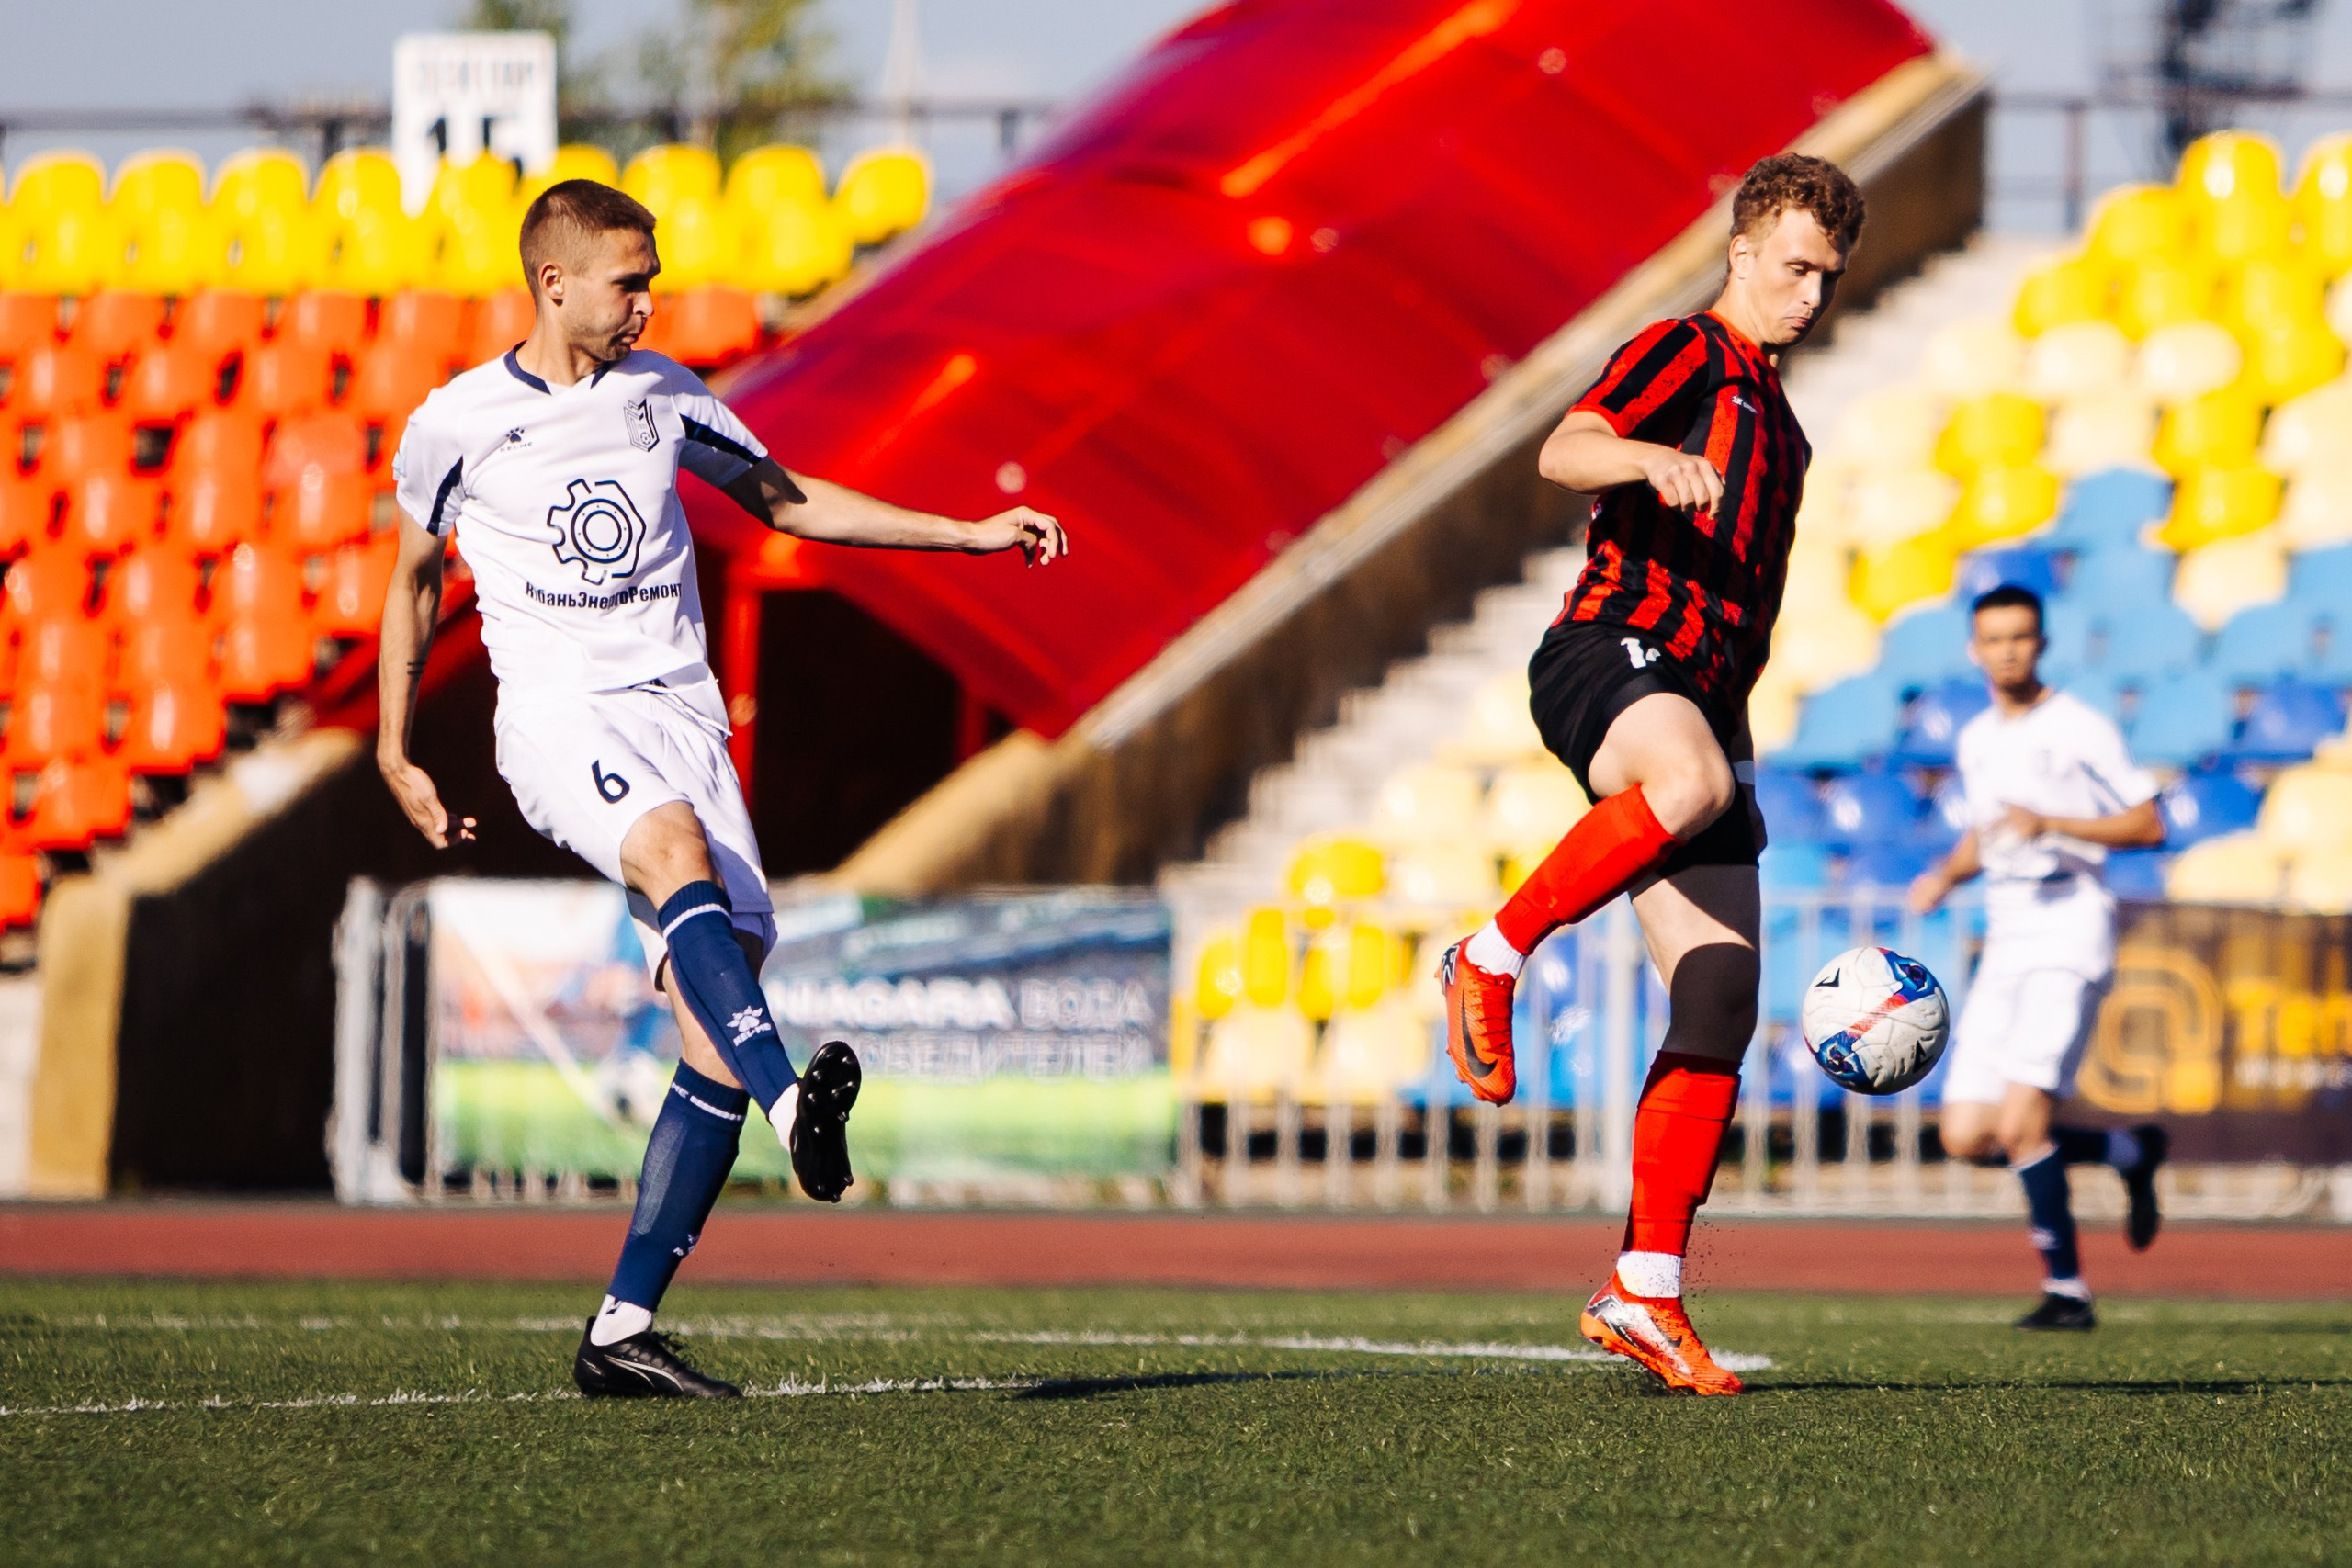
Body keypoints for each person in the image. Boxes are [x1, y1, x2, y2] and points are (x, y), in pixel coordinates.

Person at [377, 180, 1068, 1398]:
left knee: (714, 1018)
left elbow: (787, 499)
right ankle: (797, 1096)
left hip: (683, 716)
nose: (650, 298)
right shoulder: (457, 423)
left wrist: (964, 532)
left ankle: (621, 1328)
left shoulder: (666, 400)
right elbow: (415, 581)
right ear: (554, 284)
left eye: (653, 277)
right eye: (629, 279)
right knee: (671, 846)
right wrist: (395, 746)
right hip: (560, 718)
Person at [1437, 154, 1861, 1396]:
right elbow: (1565, 448)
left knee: (1723, 995)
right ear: (1740, 252)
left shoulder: (1783, 425)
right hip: (1608, 650)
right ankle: (1492, 952)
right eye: (1792, 267)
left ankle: (1645, 1289)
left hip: (1701, 700)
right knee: (1688, 786)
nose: (1810, 294)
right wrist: (1646, 462)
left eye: (1827, 277)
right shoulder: (1692, 350)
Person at [1909, 583, 2169, 1331]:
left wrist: (2052, 820)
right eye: (1994, 639)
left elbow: (2149, 823)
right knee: (1965, 1135)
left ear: (2042, 642)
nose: (2008, 650)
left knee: (2022, 1122)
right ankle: (2128, 1149)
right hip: (2007, 939)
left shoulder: (2079, 727)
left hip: (2069, 931)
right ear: (1974, 648)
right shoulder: (1977, 738)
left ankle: (2069, 1293)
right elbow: (1989, 831)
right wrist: (1944, 875)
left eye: (2021, 636)